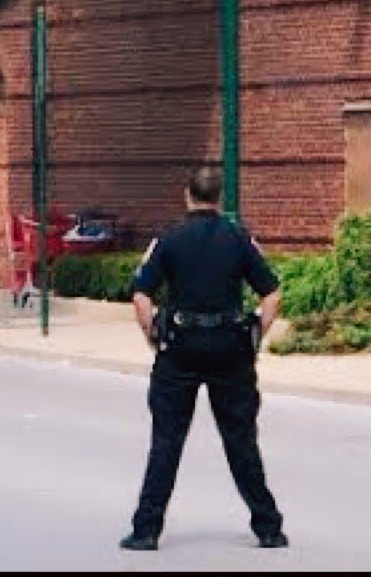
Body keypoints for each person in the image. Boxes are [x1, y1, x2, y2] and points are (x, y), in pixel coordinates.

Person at [119, 166, 286, 552]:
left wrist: (152, 338)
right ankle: (268, 528)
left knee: (167, 440)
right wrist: (256, 334)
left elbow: (142, 296)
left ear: (187, 195)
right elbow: (272, 293)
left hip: (180, 348)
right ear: (219, 198)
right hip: (230, 347)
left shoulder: (169, 240)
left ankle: (146, 530)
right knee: (241, 440)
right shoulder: (239, 239)